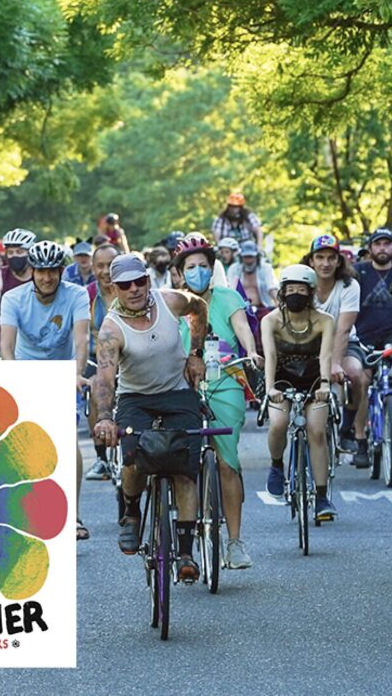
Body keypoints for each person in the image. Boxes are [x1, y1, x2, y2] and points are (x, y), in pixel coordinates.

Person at [91, 254, 209, 582]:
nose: (133, 289)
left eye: (139, 281)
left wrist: (196, 354)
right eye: (125, 285)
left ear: (148, 280)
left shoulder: (170, 301)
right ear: (114, 288)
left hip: (178, 393)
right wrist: (104, 418)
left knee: (185, 470)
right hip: (136, 399)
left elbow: (198, 309)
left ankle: (186, 552)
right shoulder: (111, 330)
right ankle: (131, 511)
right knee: (133, 457)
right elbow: (104, 378)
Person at [172, 238, 262, 568]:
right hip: (182, 384)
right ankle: (182, 537)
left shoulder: (228, 296)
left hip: (226, 380)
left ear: (213, 268)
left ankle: (235, 542)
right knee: (181, 462)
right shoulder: (173, 303)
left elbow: (242, 330)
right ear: (179, 273)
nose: (198, 272)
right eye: (190, 267)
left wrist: (251, 352)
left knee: (227, 462)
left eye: (203, 266)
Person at [0, 240, 92, 541]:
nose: (47, 278)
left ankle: (73, 514)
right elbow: (7, 347)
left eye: (53, 271)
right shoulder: (13, 298)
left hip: (64, 371)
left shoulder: (76, 295)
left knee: (67, 442)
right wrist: (13, 378)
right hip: (27, 370)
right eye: (41, 272)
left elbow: (82, 341)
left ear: (61, 271)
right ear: (32, 271)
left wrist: (77, 373)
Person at [261, 265, 338, 520]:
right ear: (282, 292)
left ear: (311, 292)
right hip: (282, 379)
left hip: (316, 379)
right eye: (290, 289)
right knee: (278, 423)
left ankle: (322, 496)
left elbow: (326, 354)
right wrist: (270, 387)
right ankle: (276, 465)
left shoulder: (325, 321)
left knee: (316, 430)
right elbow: (270, 355)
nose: (295, 294)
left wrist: (325, 384)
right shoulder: (270, 320)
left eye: (301, 289)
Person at [303, 234, 369, 467]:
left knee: (355, 375)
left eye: (331, 258)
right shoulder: (303, 285)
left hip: (344, 343)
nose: (325, 263)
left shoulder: (350, 286)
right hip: (309, 345)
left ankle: (347, 429)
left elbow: (343, 329)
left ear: (339, 261)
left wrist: (334, 363)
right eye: (319, 257)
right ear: (311, 261)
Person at [84, 243, 121, 481]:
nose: (106, 271)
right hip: (95, 357)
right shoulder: (87, 294)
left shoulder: (131, 287)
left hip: (130, 356)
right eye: (100, 266)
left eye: (111, 265)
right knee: (95, 388)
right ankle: (101, 458)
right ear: (93, 268)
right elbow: (79, 333)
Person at [0, 229, 37, 358]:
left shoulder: (41, 276)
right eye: (10, 252)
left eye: (20, 252)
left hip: (36, 350)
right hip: (4, 348)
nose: (15, 256)